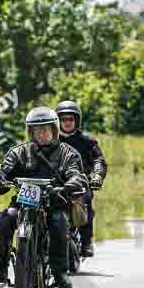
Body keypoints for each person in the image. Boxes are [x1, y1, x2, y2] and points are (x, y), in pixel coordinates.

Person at [0, 107, 88, 288]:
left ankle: (59, 272)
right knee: (5, 218)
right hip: (24, 202)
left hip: (54, 202)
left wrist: (71, 184)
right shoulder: (18, 152)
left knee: (59, 222)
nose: (42, 133)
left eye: (46, 128)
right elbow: (4, 172)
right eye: (37, 129)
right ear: (30, 131)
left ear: (55, 130)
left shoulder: (67, 153)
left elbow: (76, 173)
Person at [55, 100, 107, 258]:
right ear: (58, 121)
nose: (67, 122)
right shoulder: (51, 139)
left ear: (76, 120)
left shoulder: (87, 140)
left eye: (70, 119)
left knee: (84, 202)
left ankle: (86, 242)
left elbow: (99, 160)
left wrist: (97, 175)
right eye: (63, 119)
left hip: (81, 182)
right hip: (56, 182)